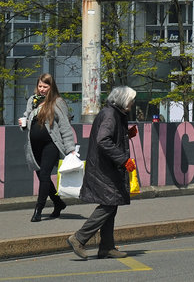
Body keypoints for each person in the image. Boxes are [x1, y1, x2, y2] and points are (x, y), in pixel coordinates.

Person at [67, 85, 138, 261]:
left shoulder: (113, 113)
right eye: (131, 99)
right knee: (109, 204)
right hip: (104, 169)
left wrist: (126, 134)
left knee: (111, 204)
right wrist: (123, 159)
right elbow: (103, 140)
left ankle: (106, 247)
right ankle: (79, 238)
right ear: (122, 100)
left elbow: (108, 137)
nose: (133, 103)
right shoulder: (110, 115)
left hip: (104, 167)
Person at [21, 73, 77, 222]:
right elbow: (27, 117)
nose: (42, 89)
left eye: (45, 87)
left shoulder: (57, 102)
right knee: (42, 176)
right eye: (40, 86)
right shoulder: (32, 101)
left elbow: (65, 127)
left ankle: (38, 209)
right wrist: (23, 123)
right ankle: (58, 203)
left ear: (51, 87)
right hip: (34, 146)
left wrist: (70, 148)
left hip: (51, 144)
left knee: (45, 175)